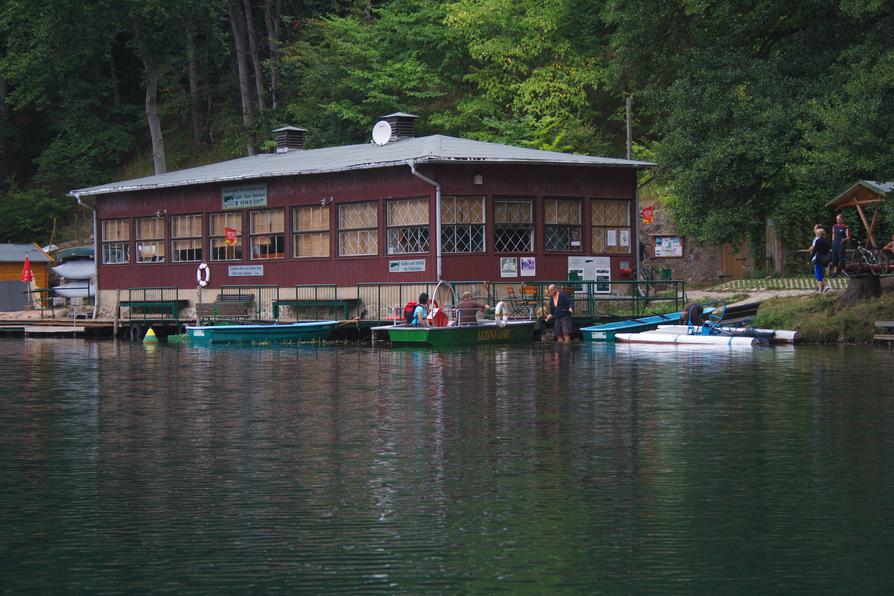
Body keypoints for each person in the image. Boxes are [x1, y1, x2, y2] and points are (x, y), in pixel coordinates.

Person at [808, 226, 831, 293]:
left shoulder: (818, 241)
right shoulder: (827, 241)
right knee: (820, 273)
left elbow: (814, 251)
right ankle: (822, 288)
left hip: (818, 258)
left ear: (819, 234)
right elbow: (827, 250)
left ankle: (822, 289)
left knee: (818, 274)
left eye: (817, 233)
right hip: (825, 258)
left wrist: (809, 259)